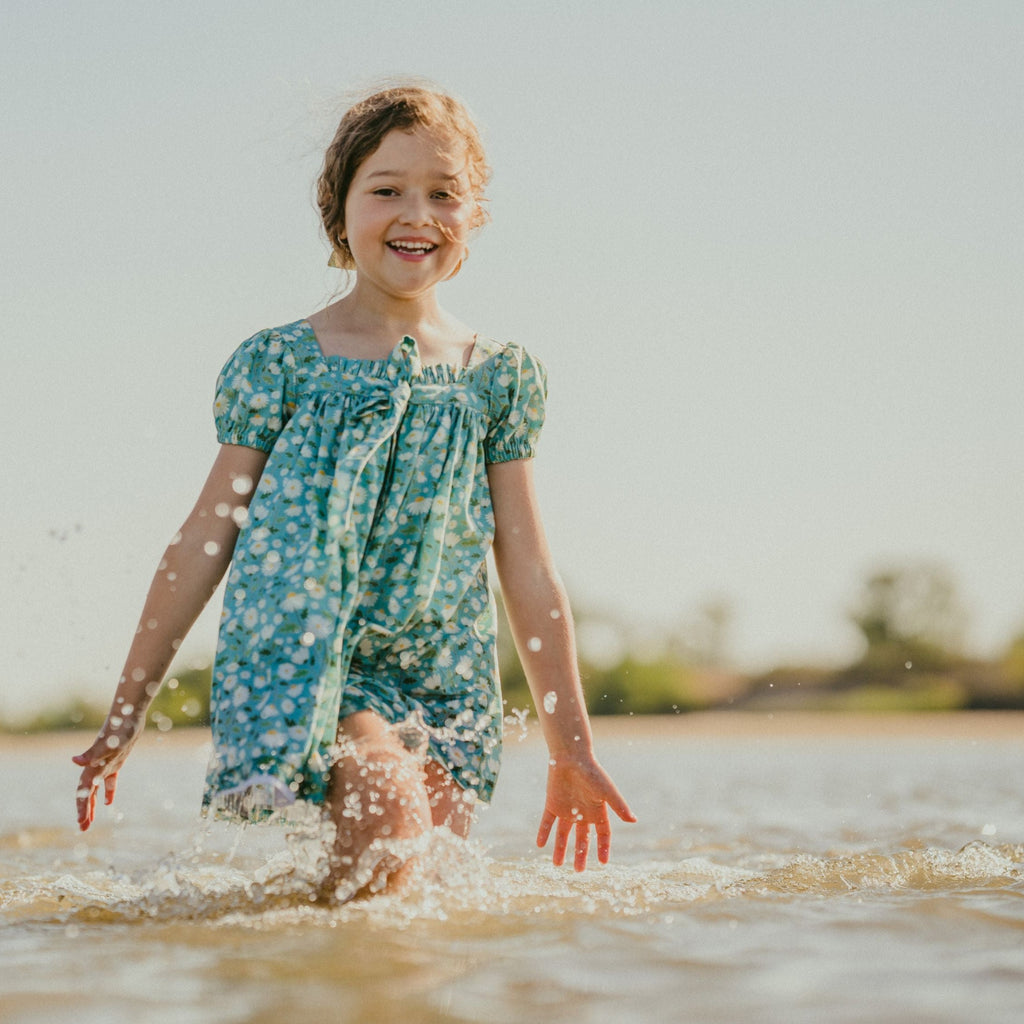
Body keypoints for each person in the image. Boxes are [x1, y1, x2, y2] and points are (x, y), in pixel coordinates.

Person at [73, 83, 634, 897]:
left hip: (447, 672)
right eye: (387, 190)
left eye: (444, 194)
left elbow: (530, 566)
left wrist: (571, 747)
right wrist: (128, 712)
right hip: (309, 657)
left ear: (474, 218)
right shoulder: (284, 362)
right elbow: (205, 537)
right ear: (339, 213)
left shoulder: (497, 377)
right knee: (388, 807)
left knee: (405, 894)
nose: (417, 214)